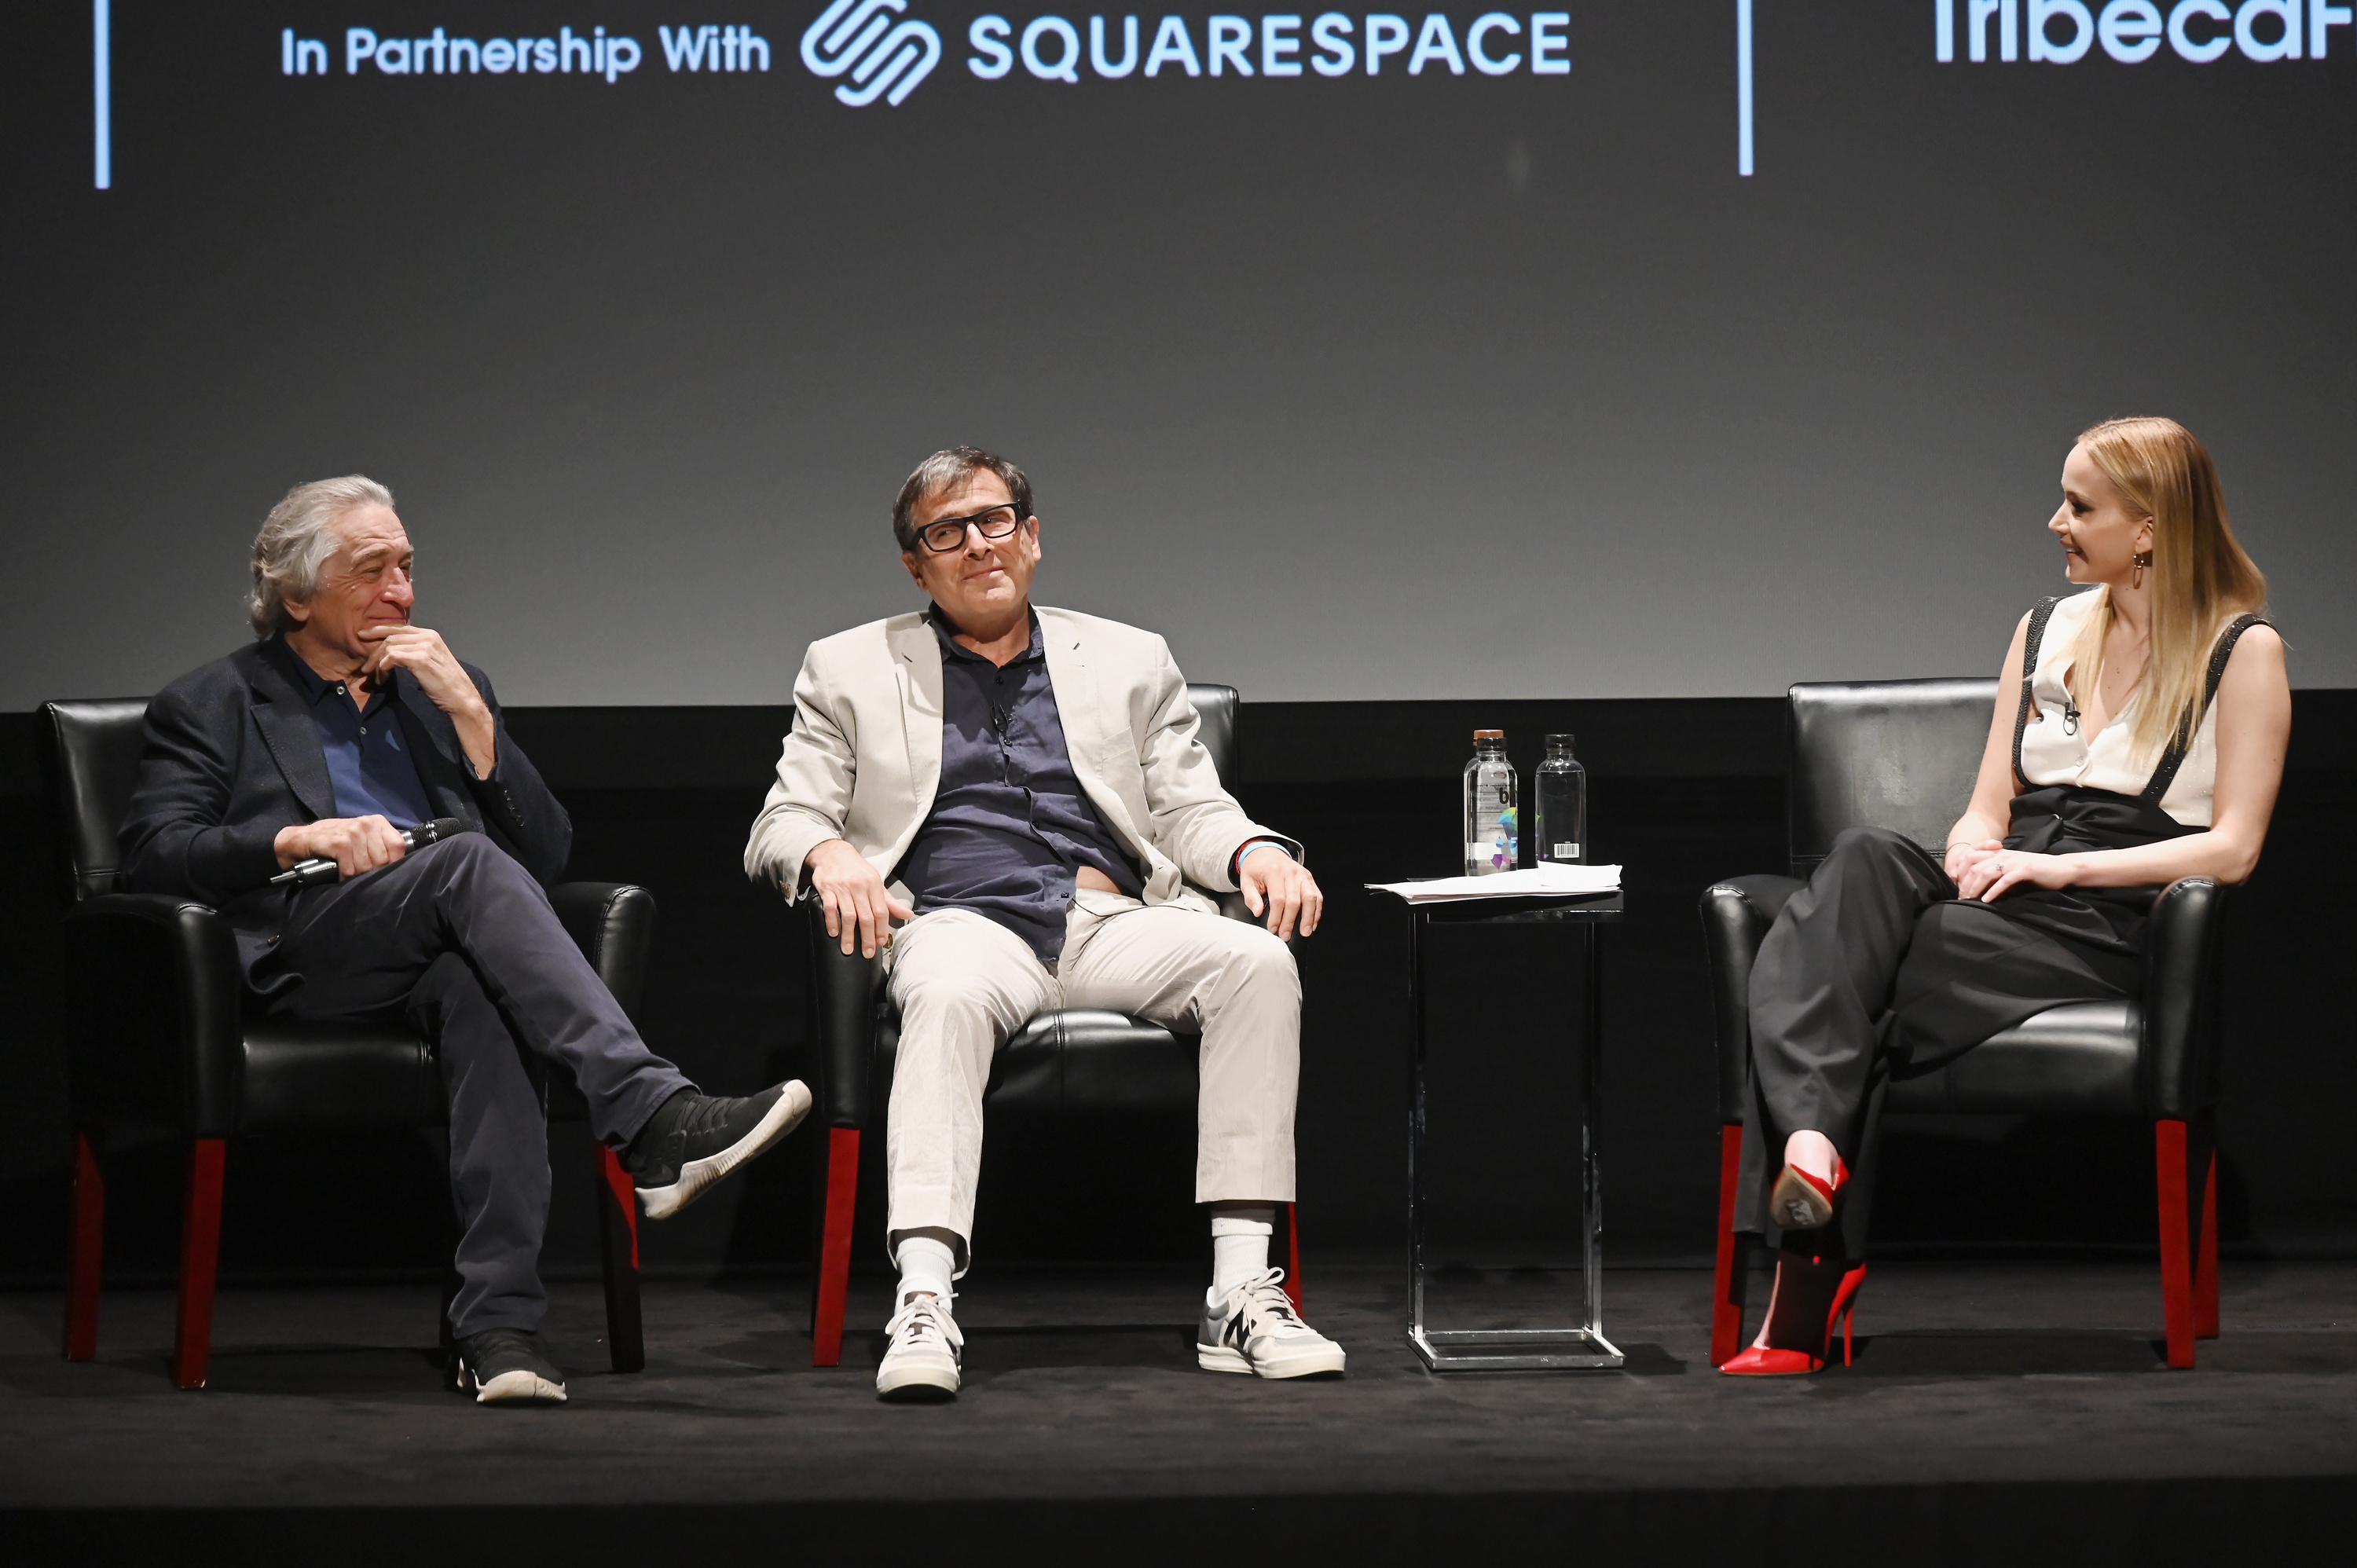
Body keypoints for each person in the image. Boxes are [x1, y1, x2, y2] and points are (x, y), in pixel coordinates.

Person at [120, 476, 811, 1405]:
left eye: (407, 566)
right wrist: (298, 837)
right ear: (295, 594)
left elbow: (550, 857)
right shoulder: (212, 702)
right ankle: (651, 1117)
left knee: (484, 989)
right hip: (302, 952)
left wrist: (474, 722)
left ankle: (497, 1329)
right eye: (372, 571)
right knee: (463, 861)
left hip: (430, 947)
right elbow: (154, 857)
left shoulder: (443, 691)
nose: (401, 591)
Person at [745, 446, 1344, 1401]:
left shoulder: (1129, 655)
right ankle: (926, 1298)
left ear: (1031, 535)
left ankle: (1240, 1291)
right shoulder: (849, 667)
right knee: (940, 992)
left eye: (994, 520)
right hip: (958, 922)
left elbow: (1191, 808)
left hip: (1109, 916)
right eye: (947, 531)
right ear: (916, 563)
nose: (976, 543)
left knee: (1256, 962)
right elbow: (785, 819)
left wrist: (1255, 853)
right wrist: (830, 856)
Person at [1723, 416, 2290, 1375]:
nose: (2056, 521)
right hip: (2008, 880)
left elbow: (2232, 850)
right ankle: (1814, 1148)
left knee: (1846, 967)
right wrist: (1980, 851)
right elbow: (1987, 806)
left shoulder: (2245, 651)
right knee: (1859, 858)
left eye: (2080, 506)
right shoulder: (2044, 628)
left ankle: (1804, 1289)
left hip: (2103, 911)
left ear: (2148, 529)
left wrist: (2057, 870)